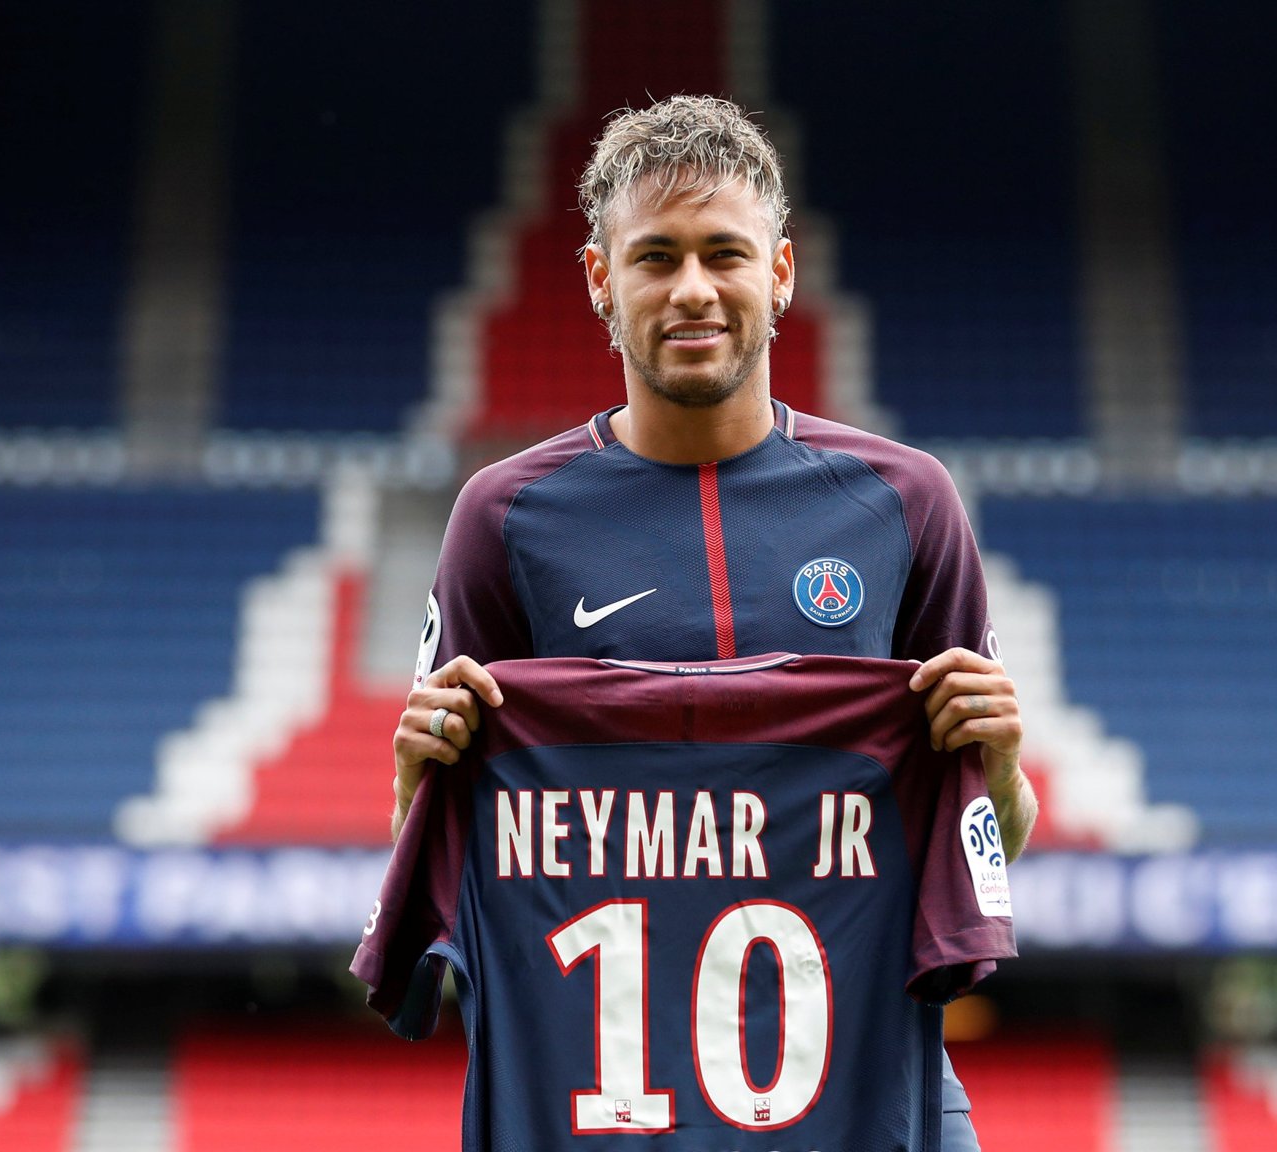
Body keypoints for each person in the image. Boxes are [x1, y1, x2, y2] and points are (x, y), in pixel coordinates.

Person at [390, 93, 1036, 1152]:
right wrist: (413, 784)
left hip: (871, 1088)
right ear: (600, 280)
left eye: (724, 253)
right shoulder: (503, 518)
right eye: (655, 257)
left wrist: (998, 769)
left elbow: (988, 842)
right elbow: (453, 852)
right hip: (610, 1106)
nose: (692, 287)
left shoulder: (905, 502)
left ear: (779, 272)